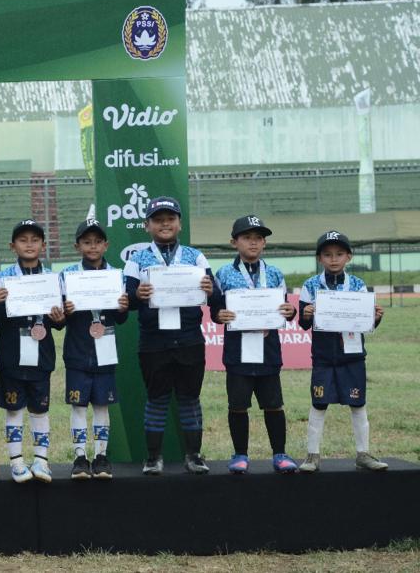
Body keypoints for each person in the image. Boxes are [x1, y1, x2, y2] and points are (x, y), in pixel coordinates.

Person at [123, 197, 222, 476]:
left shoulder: (195, 257)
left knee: (190, 398)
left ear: (180, 224)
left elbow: (216, 297)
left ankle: (194, 456)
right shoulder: (136, 259)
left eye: (170, 219)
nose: (164, 224)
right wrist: (137, 294)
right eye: (158, 220)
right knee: (157, 398)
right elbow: (127, 301)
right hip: (153, 341)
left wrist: (210, 289)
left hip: (189, 338)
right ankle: (153, 458)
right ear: (147, 226)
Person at [210, 215, 299, 474]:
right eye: (247, 237)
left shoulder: (275, 273)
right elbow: (216, 309)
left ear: (264, 243)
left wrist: (290, 311)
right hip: (237, 350)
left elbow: (285, 309)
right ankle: (240, 454)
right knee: (238, 405)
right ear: (234, 242)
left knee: (273, 404)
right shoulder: (223, 273)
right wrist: (219, 315)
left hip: (268, 349)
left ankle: (280, 453)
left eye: (258, 238)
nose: (253, 242)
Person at [297, 231, 387, 472]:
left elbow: (366, 325)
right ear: (319, 258)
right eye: (327, 255)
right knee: (319, 403)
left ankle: (363, 454)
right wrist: (306, 314)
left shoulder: (358, 285)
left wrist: (376, 318)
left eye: (339, 254)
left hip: (352, 357)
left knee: (358, 404)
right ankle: (312, 456)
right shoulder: (310, 285)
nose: (333, 259)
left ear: (349, 256)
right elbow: (303, 324)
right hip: (323, 358)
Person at [0, 219, 65, 483]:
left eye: (34, 240)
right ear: (12, 246)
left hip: (42, 356)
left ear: (43, 245)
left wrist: (59, 318)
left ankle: (41, 460)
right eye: (23, 240)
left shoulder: (52, 278)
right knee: (13, 409)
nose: (29, 245)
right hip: (12, 356)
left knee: (40, 409)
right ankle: (17, 461)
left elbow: (59, 321)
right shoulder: (3, 278)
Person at [60, 217, 129, 480]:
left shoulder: (117, 275)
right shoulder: (67, 275)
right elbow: (59, 320)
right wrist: (65, 311)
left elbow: (121, 318)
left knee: (102, 405)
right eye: (87, 242)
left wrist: (122, 308)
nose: (92, 246)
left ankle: (101, 456)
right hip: (77, 351)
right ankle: (80, 457)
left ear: (106, 245)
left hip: (105, 350)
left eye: (97, 242)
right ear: (77, 246)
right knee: (78, 406)